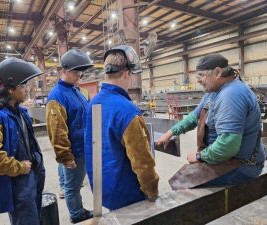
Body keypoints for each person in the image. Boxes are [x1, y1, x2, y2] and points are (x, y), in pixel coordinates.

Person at [157, 54, 265, 188]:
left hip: (241, 165)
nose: (198, 80)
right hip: (224, 159)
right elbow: (194, 116)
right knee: (183, 177)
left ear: (218, 72)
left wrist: (199, 156)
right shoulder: (214, 91)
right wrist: (171, 132)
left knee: (182, 183)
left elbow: (228, 145)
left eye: (201, 75)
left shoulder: (231, 95)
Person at [84, 45, 159, 210]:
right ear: (127, 73)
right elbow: (142, 161)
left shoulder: (92, 104)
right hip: (128, 194)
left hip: (103, 188)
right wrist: (151, 190)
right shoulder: (127, 111)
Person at [0, 57, 45, 225]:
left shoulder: (20, 112)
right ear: (10, 89)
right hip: (17, 182)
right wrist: (19, 167)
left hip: (32, 175)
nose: (27, 89)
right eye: (23, 86)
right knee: (26, 220)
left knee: (36, 217)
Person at [46, 49, 94, 223]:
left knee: (71, 184)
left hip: (82, 147)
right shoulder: (57, 96)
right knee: (72, 187)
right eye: (75, 71)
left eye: (80, 71)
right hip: (74, 151)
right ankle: (76, 215)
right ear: (64, 70)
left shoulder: (77, 91)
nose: (78, 75)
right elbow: (57, 130)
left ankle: (78, 209)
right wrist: (65, 156)